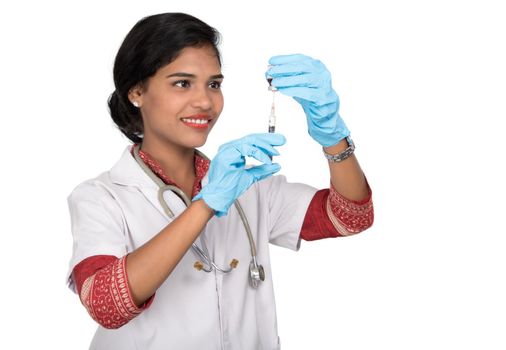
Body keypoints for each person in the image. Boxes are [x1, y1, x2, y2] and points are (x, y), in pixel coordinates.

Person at [66, 12, 374, 350]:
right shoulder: (101, 196)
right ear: (136, 91)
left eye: (214, 84)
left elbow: (351, 217)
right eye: (182, 83)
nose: (205, 101)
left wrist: (332, 135)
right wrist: (206, 205)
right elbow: (106, 305)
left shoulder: (246, 184)